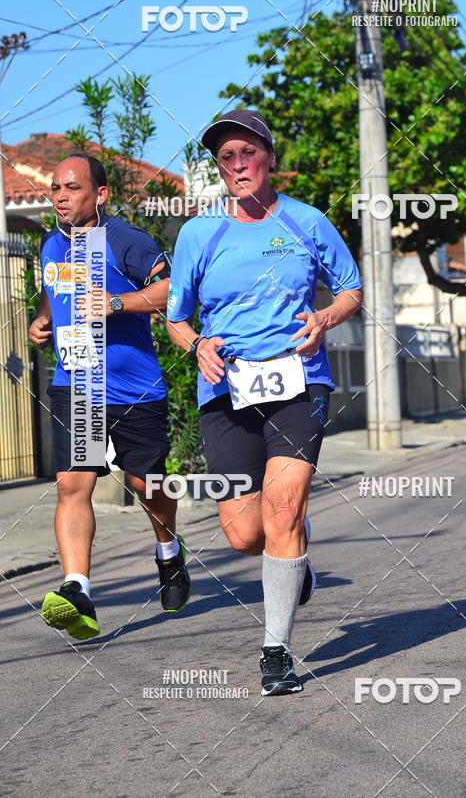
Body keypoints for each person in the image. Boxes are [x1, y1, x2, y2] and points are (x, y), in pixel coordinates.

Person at [166, 109, 363, 695]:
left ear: (270, 158)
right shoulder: (199, 233)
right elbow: (176, 318)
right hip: (226, 388)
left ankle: (276, 651)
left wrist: (325, 317)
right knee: (244, 535)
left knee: (282, 511)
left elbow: (351, 289)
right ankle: (295, 553)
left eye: (247, 153)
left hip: (299, 381)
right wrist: (198, 344)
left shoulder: (308, 221)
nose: (237, 165)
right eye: (225, 157)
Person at [29, 153, 190, 641]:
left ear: (100, 194)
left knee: (147, 485)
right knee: (72, 485)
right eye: (56, 188)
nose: (60, 196)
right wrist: (43, 319)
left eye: (72, 188)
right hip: (77, 387)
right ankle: (77, 589)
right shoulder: (50, 245)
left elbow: (173, 289)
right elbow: (52, 291)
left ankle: (169, 552)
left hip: (134, 389)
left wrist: (117, 302)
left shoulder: (124, 240)